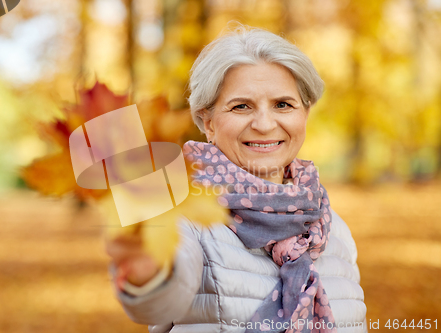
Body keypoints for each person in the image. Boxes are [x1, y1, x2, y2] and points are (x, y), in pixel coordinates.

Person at [106, 24, 367, 333]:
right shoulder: (183, 210)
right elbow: (159, 299)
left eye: (283, 104)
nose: (264, 124)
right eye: (241, 106)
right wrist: (147, 276)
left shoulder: (332, 227)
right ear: (208, 121)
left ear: (305, 114)